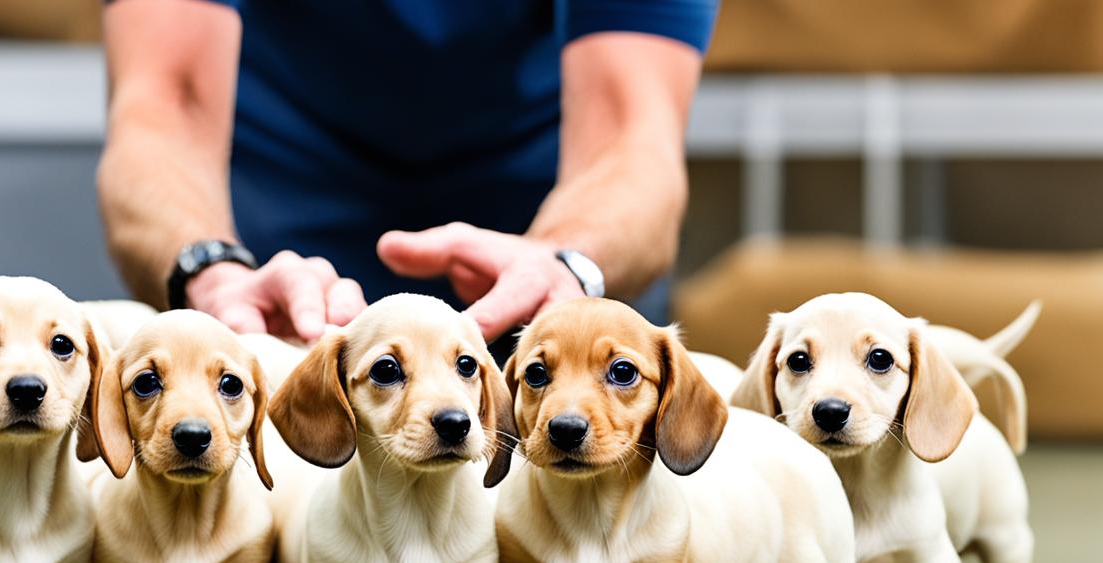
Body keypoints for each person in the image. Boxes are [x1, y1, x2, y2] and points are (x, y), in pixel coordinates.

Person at [99, 0, 717, 342]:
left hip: (540, 209)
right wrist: (209, 269)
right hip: (279, 213)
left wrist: (565, 261)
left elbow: (629, 136)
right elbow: (164, 102)